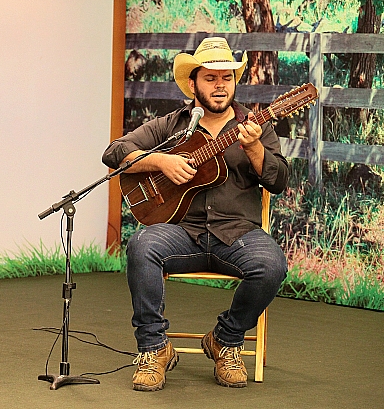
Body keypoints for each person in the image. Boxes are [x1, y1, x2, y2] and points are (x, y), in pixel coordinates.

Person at [102, 37, 289, 390]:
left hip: (237, 234)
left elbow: (279, 180)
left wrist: (254, 149)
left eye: (227, 78)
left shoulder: (256, 125)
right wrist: (161, 161)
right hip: (181, 232)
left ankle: (225, 340)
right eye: (211, 78)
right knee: (142, 245)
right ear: (193, 84)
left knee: (271, 265)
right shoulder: (173, 124)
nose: (220, 86)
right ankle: (154, 349)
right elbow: (114, 152)